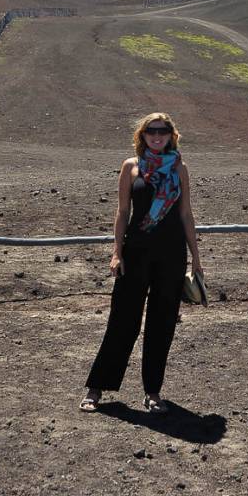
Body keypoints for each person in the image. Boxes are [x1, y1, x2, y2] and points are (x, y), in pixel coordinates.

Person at [80, 112, 203, 413]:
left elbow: (186, 213)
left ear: (171, 135)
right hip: (135, 252)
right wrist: (116, 252)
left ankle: (152, 392)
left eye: (163, 131)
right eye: (151, 131)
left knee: (162, 323)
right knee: (122, 319)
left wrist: (196, 258)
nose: (157, 136)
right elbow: (122, 212)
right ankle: (97, 387)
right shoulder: (131, 167)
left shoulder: (179, 168)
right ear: (143, 135)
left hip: (172, 254)